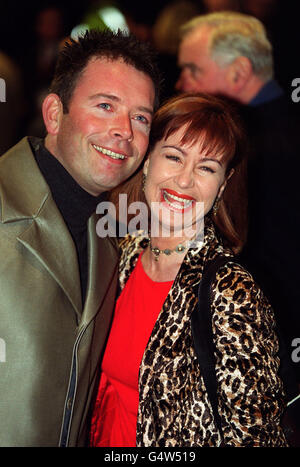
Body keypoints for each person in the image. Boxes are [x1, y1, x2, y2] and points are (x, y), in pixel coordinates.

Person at [89, 93, 287, 447]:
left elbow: (257, 437)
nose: (184, 181)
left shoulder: (231, 293)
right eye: (173, 157)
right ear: (147, 161)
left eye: (207, 167)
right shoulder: (124, 253)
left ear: (223, 185)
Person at [0, 28, 160, 447]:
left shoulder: (115, 242)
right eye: (105, 105)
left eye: (140, 117)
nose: (124, 129)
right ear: (54, 114)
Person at [175, 11, 300, 388]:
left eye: (193, 70)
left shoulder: (252, 151)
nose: (182, 83)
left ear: (239, 72)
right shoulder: (277, 132)